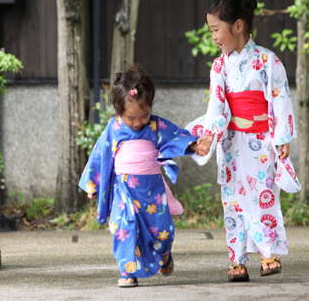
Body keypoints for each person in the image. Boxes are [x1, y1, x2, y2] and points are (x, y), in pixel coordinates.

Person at [186, 0, 301, 282]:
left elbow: (280, 99)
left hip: (261, 142)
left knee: (262, 197)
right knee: (234, 201)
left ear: (237, 26)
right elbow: (216, 103)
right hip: (232, 142)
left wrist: (283, 135)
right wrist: (210, 135)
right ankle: (236, 260)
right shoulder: (219, 66)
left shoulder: (268, 61)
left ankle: (267, 254)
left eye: (215, 29)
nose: (213, 36)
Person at [79, 65, 210, 288]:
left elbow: (175, 137)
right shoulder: (114, 128)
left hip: (152, 191)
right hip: (124, 190)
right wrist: (94, 185)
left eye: (144, 115)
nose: (138, 123)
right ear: (119, 110)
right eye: (131, 118)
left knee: (162, 232)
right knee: (124, 228)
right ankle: (128, 271)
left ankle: (165, 253)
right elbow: (100, 156)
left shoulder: (156, 125)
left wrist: (195, 144)